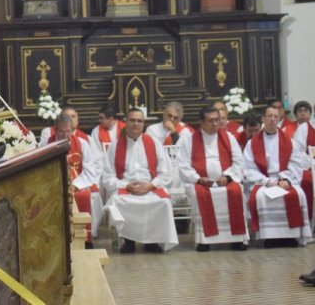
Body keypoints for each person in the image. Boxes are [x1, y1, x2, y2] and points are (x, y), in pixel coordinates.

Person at [103, 108, 177, 253]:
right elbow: (107, 177)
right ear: (125, 122)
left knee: (163, 202)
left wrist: (151, 185)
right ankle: (128, 241)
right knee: (119, 202)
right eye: (132, 120)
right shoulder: (115, 146)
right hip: (126, 188)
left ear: (143, 123)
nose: (136, 124)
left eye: (140, 121)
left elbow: (166, 173)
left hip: (150, 187)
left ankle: (152, 242)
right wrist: (127, 185)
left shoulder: (154, 143)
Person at [178, 105, 248, 251]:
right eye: (211, 121)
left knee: (237, 191)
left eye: (217, 120)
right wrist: (198, 179)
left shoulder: (229, 138)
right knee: (200, 194)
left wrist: (228, 177)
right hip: (201, 182)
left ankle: (237, 239)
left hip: (225, 180)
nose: (216, 123)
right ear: (201, 123)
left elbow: (239, 161)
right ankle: (205, 240)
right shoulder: (189, 140)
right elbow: (183, 165)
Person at [243, 106, 312, 247]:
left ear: (279, 119)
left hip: (285, 179)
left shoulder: (289, 141)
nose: (273, 119)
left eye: (275, 116)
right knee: (261, 196)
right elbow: (248, 168)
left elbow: (296, 164)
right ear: (263, 119)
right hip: (263, 181)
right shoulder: (252, 143)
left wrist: (286, 179)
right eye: (269, 116)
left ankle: (291, 236)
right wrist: (267, 181)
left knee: (297, 194)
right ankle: (270, 238)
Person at [48, 113, 102, 244]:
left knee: (86, 196)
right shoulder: (47, 144)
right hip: (55, 183)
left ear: (72, 130)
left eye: (68, 131)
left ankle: (85, 240)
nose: (65, 135)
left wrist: (75, 185)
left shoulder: (82, 144)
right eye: (61, 131)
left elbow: (90, 170)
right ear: (55, 129)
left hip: (78, 183)